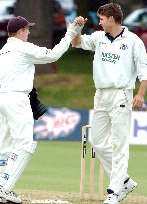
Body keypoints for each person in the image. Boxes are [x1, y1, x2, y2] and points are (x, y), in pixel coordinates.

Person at [72, 3, 147, 204]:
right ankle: (124, 181)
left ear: (112, 19)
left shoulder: (133, 41)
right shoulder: (98, 38)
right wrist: (77, 28)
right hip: (101, 95)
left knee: (119, 144)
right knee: (97, 142)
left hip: (121, 95)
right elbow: (76, 42)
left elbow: (145, 72)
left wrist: (140, 95)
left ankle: (114, 191)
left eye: (102, 19)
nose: (99, 22)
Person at [0, 15, 81, 203]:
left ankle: (2, 184)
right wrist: (70, 32)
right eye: (27, 29)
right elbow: (53, 55)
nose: (29, 32)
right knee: (25, 145)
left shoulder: (3, 50)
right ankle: (5, 188)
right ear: (20, 31)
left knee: (4, 146)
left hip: (2, 99)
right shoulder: (24, 47)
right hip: (16, 99)